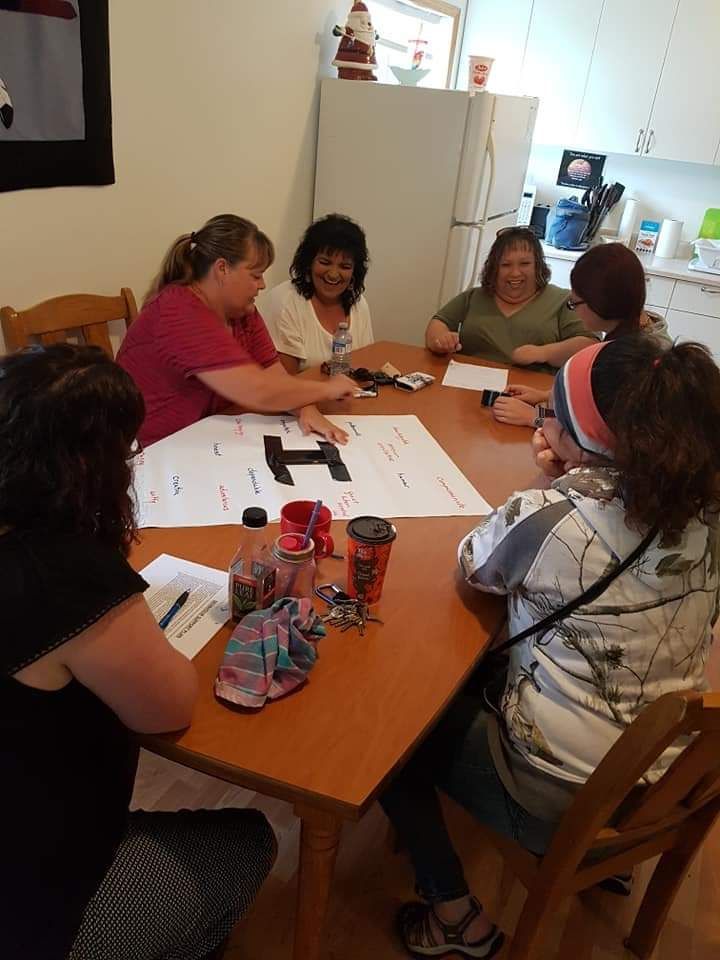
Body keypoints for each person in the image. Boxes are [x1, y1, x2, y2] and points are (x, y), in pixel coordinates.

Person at [380, 336, 720, 959]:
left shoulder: (553, 515)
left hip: (562, 794)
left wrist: (552, 479)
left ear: (584, 436)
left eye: (555, 414)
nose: (547, 420)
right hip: (667, 775)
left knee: (388, 734)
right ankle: (614, 863)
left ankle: (455, 915)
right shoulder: (707, 509)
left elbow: (474, 564)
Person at [0, 344, 276, 960]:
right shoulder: (61, 571)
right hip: (34, 911)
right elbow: (169, 707)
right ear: (91, 467)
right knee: (250, 838)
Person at [117, 214, 355, 447]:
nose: (262, 284)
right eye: (256, 275)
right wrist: (327, 389)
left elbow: (275, 378)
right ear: (222, 269)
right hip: (152, 451)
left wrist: (305, 408)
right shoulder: (178, 312)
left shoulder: (242, 313)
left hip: (199, 438)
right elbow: (258, 389)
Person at [494, 242, 673, 427]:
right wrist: (546, 395)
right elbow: (597, 400)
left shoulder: (640, 361)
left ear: (600, 304)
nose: (574, 311)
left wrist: (535, 418)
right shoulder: (636, 330)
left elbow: (602, 436)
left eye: (574, 303)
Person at [425, 226, 598, 372]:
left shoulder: (563, 301)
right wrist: (441, 340)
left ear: (538, 265)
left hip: (530, 395)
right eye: (505, 265)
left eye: (524, 264)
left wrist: (543, 352)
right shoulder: (474, 296)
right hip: (465, 387)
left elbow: (589, 346)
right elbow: (439, 322)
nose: (515, 273)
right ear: (494, 268)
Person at [268, 213, 374, 373]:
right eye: (325, 262)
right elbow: (284, 385)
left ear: (355, 272)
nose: (333, 274)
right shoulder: (285, 301)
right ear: (308, 262)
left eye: (344, 267)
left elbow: (364, 370)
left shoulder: (359, 304)